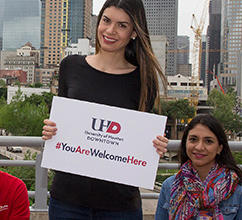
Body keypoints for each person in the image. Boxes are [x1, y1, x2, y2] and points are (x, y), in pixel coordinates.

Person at [41, 0, 169, 218]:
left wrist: (155, 145)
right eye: (106, 21)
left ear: (134, 33)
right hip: (67, 200)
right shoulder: (70, 66)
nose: (110, 31)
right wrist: (51, 131)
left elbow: (138, 139)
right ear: (97, 22)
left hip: (120, 204)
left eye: (122, 25)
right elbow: (63, 124)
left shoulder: (143, 80)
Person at [155, 114, 242, 220]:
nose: (199, 147)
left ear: (219, 148)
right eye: (193, 139)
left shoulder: (240, 190)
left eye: (208, 141)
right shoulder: (169, 186)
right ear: (185, 143)